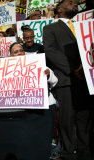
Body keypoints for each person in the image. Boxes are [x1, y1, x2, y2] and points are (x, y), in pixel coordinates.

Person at [0, 43, 57, 160]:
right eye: (15, 52)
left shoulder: (37, 64)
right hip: (12, 116)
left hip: (37, 113)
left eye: (21, 50)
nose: (19, 53)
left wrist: (48, 75)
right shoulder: (5, 67)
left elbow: (55, 81)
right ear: (10, 55)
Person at [43, 0, 94, 159]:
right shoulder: (50, 28)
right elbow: (51, 51)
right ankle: (69, 152)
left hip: (85, 80)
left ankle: (85, 151)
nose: (75, 3)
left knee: (84, 118)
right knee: (67, 118)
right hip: (66, 80)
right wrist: (73, 68)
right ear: (59, 9)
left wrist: (85, 66)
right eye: (70, 2)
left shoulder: (83, 27)